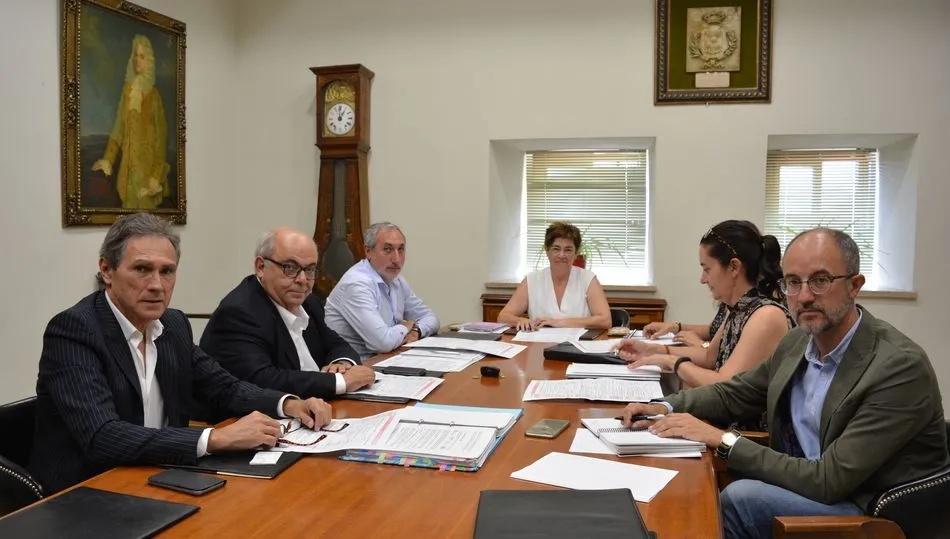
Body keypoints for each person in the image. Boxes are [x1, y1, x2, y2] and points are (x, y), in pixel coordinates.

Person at [622, 227, 948, 539]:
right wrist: (663, 406)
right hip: (810, 483)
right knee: (683, 484)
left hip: (868, 512)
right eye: (792, 282)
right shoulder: (797, 342)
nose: (804, 296)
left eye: (820, 280)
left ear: (854, 285)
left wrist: (722, 440)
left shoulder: (897, 367)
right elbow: (737, 392)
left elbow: (828, 480)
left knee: (737, 500)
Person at [30, 214, 332, 494]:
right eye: (142, 269)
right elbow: (102, 436)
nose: (157, 285)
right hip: (87, 491)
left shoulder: (172, 324)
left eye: (167, 271)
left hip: (161, 476)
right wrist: (214, 438)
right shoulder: (74, 330)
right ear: (107, 271)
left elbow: (225, 387)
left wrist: (290, 404)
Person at [615, 221, 793, 401]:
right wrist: (651, 349)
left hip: (743, 428)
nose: (702, 279)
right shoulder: (740, 308)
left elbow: (725, 385)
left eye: (707, 269)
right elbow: (709, 357)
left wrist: (672, 362)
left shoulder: (766, 315)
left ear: (734, 267)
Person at [200, 228, 376, 406]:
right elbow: (263, 380)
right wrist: (340, 382)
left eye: (310, 269)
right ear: (261, 267)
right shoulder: (239, 312)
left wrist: (341, 364)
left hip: (315, 408)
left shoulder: (308, 302)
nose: (302, 280)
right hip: (253, 420)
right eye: (290, 268)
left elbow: (335, 343)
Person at [325, 222, 439, 359]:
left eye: (401, 249)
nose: (396, 259)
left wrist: (416, 330)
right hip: (355, 366)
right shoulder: (356, 284)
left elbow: (431, 318)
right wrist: (406, 326)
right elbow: (382, 343)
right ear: (368, 251)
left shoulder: (396, 280)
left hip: (388, 358)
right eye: (388, 249)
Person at [91, 34, 170, 209]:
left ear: (148, 60)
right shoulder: (127, 91)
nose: (137, 60)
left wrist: (156, 176)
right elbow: (118, 128)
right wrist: (108, 160)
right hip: (128, 171)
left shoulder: (154, 96)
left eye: (142, 56)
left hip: (148, 174)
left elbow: (161, 140)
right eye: (135, 55)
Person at [497, 222, 611, 331]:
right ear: (547, 251)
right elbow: (503, 317)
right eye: (556, 249)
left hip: (578, 346)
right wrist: (520, 320)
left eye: (568, 250)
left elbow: (605, 320)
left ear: (576, 253)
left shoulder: (588, 279)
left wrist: (561, 323)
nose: (561, 255)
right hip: (539, 345)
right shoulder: (532, 280)